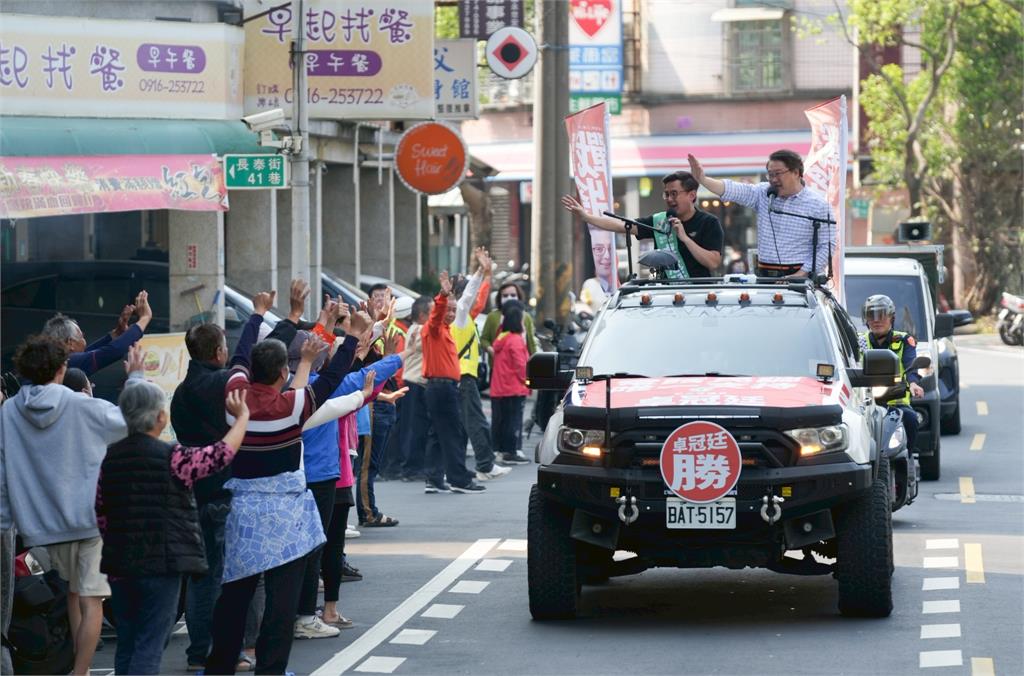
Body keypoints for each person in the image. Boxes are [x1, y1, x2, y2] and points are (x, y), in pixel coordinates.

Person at [203, 305, 370, 675]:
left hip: (243, 514)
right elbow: (332, 379)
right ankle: (272, 669)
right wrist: (352, 338)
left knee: (234, 596)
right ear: (283, 373)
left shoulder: (236, 400)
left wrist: (256, 320)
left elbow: (242, 356)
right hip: (286, 518)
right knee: (282, 603)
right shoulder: (294, 406)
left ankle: (220, 665)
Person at [0, 336, 144, 675]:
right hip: (88, 518)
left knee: (73, 596)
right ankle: (81, 672)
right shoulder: (82, 405)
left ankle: (77, 668)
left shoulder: (9, 411)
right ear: (63, 368)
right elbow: (131, 424)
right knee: (91, 599)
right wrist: (135, 378)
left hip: (43, 524)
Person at [96, 385, 251, 675]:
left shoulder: (108, 459)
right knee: (149, 645)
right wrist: (242, 418)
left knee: (128, 643)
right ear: (161, 418)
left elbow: (101, 513)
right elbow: (219, 455)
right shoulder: (172, 457)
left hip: (120, 564)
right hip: (162, 563)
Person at [172, 287, 280, 673]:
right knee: (244, 575)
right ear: (217, 352)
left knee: (202, 579)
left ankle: (198, 652)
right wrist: (262, 318)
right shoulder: (225, 387)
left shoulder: (180, 394)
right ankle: (240, 649)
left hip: (194, 494)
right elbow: (247, 361)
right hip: (228, 490)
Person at [688, 150, 834, 278]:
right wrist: (703, 180)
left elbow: (827, 245)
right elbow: (732, 190)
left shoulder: (818, 205)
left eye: (778, 174)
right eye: (770, 175)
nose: (773, 180)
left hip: (801, 278)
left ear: (796, 173)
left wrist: (802, 273)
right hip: (765, 277)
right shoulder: (764, 194)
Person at [562, 171, 724, 279]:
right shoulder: (660, 221)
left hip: (699, 293)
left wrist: (685, 238)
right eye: (666, 194)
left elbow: (713, 262)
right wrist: (586, 217)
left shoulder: (709, 222)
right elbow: (622, 225)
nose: (669, 199)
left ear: (692, 195)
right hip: (666, 295)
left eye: (674, 193)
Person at [421, 269, 488, 494]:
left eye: (452, 309)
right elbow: (438, 315)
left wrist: (483, 276)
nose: (450, 313)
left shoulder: (446, 330)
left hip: (441, 387)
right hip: (440, 387)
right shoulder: (435, 328)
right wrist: (442, 296)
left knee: (437, 433)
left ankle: (434, 478)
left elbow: (469, 302)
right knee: (452, 433)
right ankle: (459, 479)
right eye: (447, 309)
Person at [451, 248, 511, 482]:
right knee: (476, 423)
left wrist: (486, 275)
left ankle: (457, 470)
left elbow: (474, 301)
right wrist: (480, 272)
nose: (476, 298)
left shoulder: (460, 317)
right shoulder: (459, 314)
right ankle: (485, 465)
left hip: (461, 377)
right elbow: (468, 299)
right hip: (463, 377)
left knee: (463, 426)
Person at [858, 294, 924, 451]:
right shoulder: (858, 341)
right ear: (865, 319)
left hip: (897, 402)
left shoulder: (904, 340)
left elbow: (911, 365)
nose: (876, 320)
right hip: (865, 403)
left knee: (911, 418)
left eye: (881, 315)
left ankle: (908, 459)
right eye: (871, 315)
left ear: (891, 318)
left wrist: (913, 383)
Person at [43, 291, 153, 376]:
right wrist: (144, 318)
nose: (84, 341)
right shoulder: (69, 362)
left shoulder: (54, 362)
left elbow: (89, 352)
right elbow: (113, 351)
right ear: (70, 343)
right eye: (81, 337)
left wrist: (117, 332)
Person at [396, 295, 433, 482]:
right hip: (415, 383)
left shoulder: (414, 328)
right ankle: (411, 468)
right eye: (432, 312)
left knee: (418, 427)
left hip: (416, 383)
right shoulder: (419, 330)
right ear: (421, 314)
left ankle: (414, 466)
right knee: (415, 428)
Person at [490, 304, 530, 464]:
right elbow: (522, 366)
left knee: (500, 422)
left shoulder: (501, 338)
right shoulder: (516, 340)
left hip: (499, 387)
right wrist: (528, 381)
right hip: (513, 387)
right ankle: (510, 452)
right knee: (513, 422)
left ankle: (499, 450)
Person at [481, 281, 537, 357]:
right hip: (498, 365)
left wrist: (535, 362)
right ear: (500, 298)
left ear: (518, 297)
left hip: (521, 364)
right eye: (505, 295)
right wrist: (490, 349)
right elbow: (484, 339)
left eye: (513, 295)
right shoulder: (492, 316)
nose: (509, 298)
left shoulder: (526, 316)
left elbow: (531, 343)